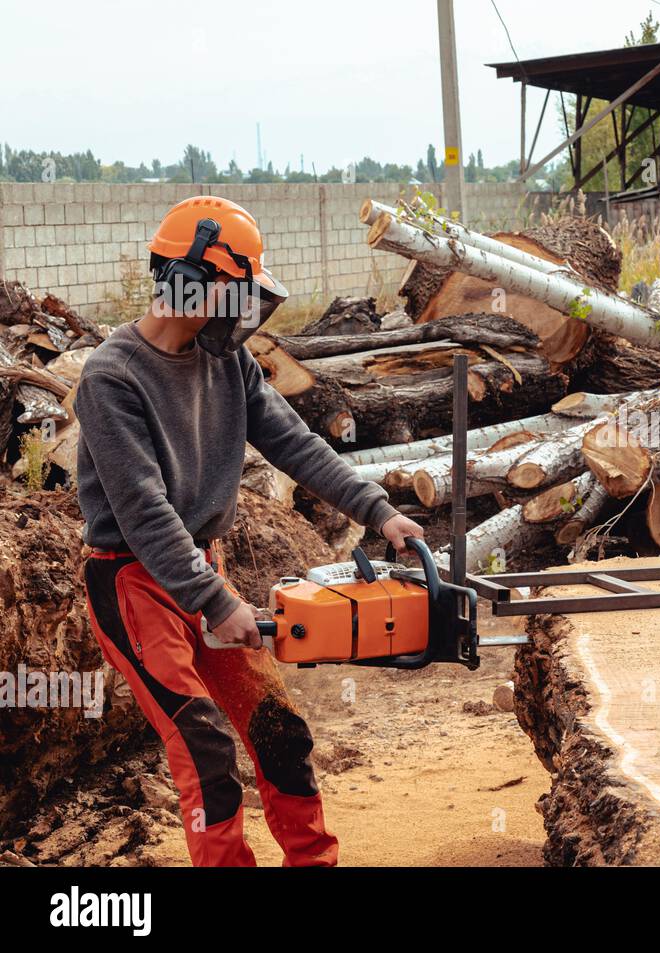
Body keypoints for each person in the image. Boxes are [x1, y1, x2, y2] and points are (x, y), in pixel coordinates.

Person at [75, 196, 425, 865]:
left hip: (199, 569)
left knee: (280, 730)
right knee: (203, 744)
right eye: (232, 294)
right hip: (132, 583)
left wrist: (378, 510)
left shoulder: (227, 363)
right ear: (186, 282)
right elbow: (145, 510)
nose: (240, 312)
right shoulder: (111, 376)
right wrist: (215, 601)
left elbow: (295, 444)